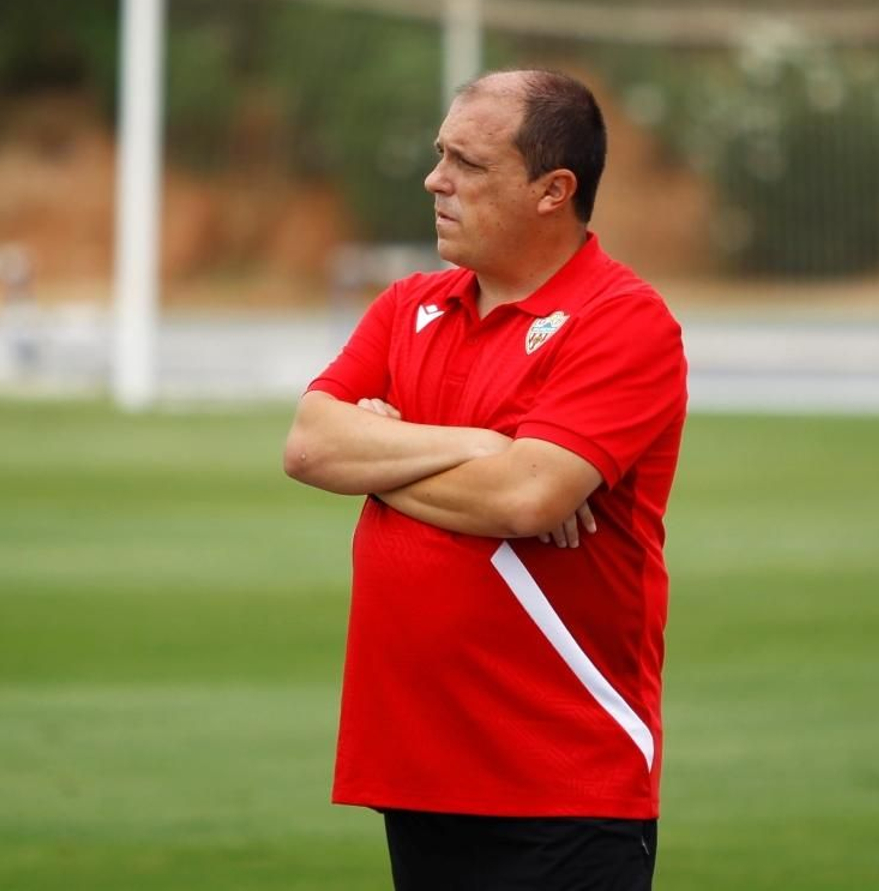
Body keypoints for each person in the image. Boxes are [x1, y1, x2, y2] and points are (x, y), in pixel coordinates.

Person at [283, 69, 688, 890]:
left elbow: (524, 497)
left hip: (563, 781)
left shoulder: (623, 321)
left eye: (467, 163)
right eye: (440, 155)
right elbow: (310, 446)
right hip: (417, 771)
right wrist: (478, 445)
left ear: (553, 190)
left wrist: (387, 458)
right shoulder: (407, 306)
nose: (436, 180)